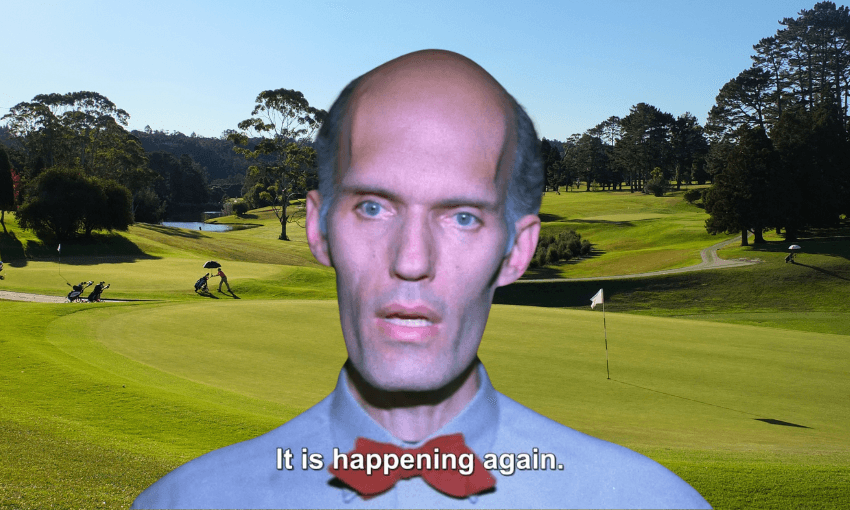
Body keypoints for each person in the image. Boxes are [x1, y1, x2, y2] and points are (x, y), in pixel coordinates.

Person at [132, 50, 711, 509]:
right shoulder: (185, 503)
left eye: (462, 217)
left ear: (517, 251)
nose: (411, 260)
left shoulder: (651, 503)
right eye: (373, 208)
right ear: (318, 230)